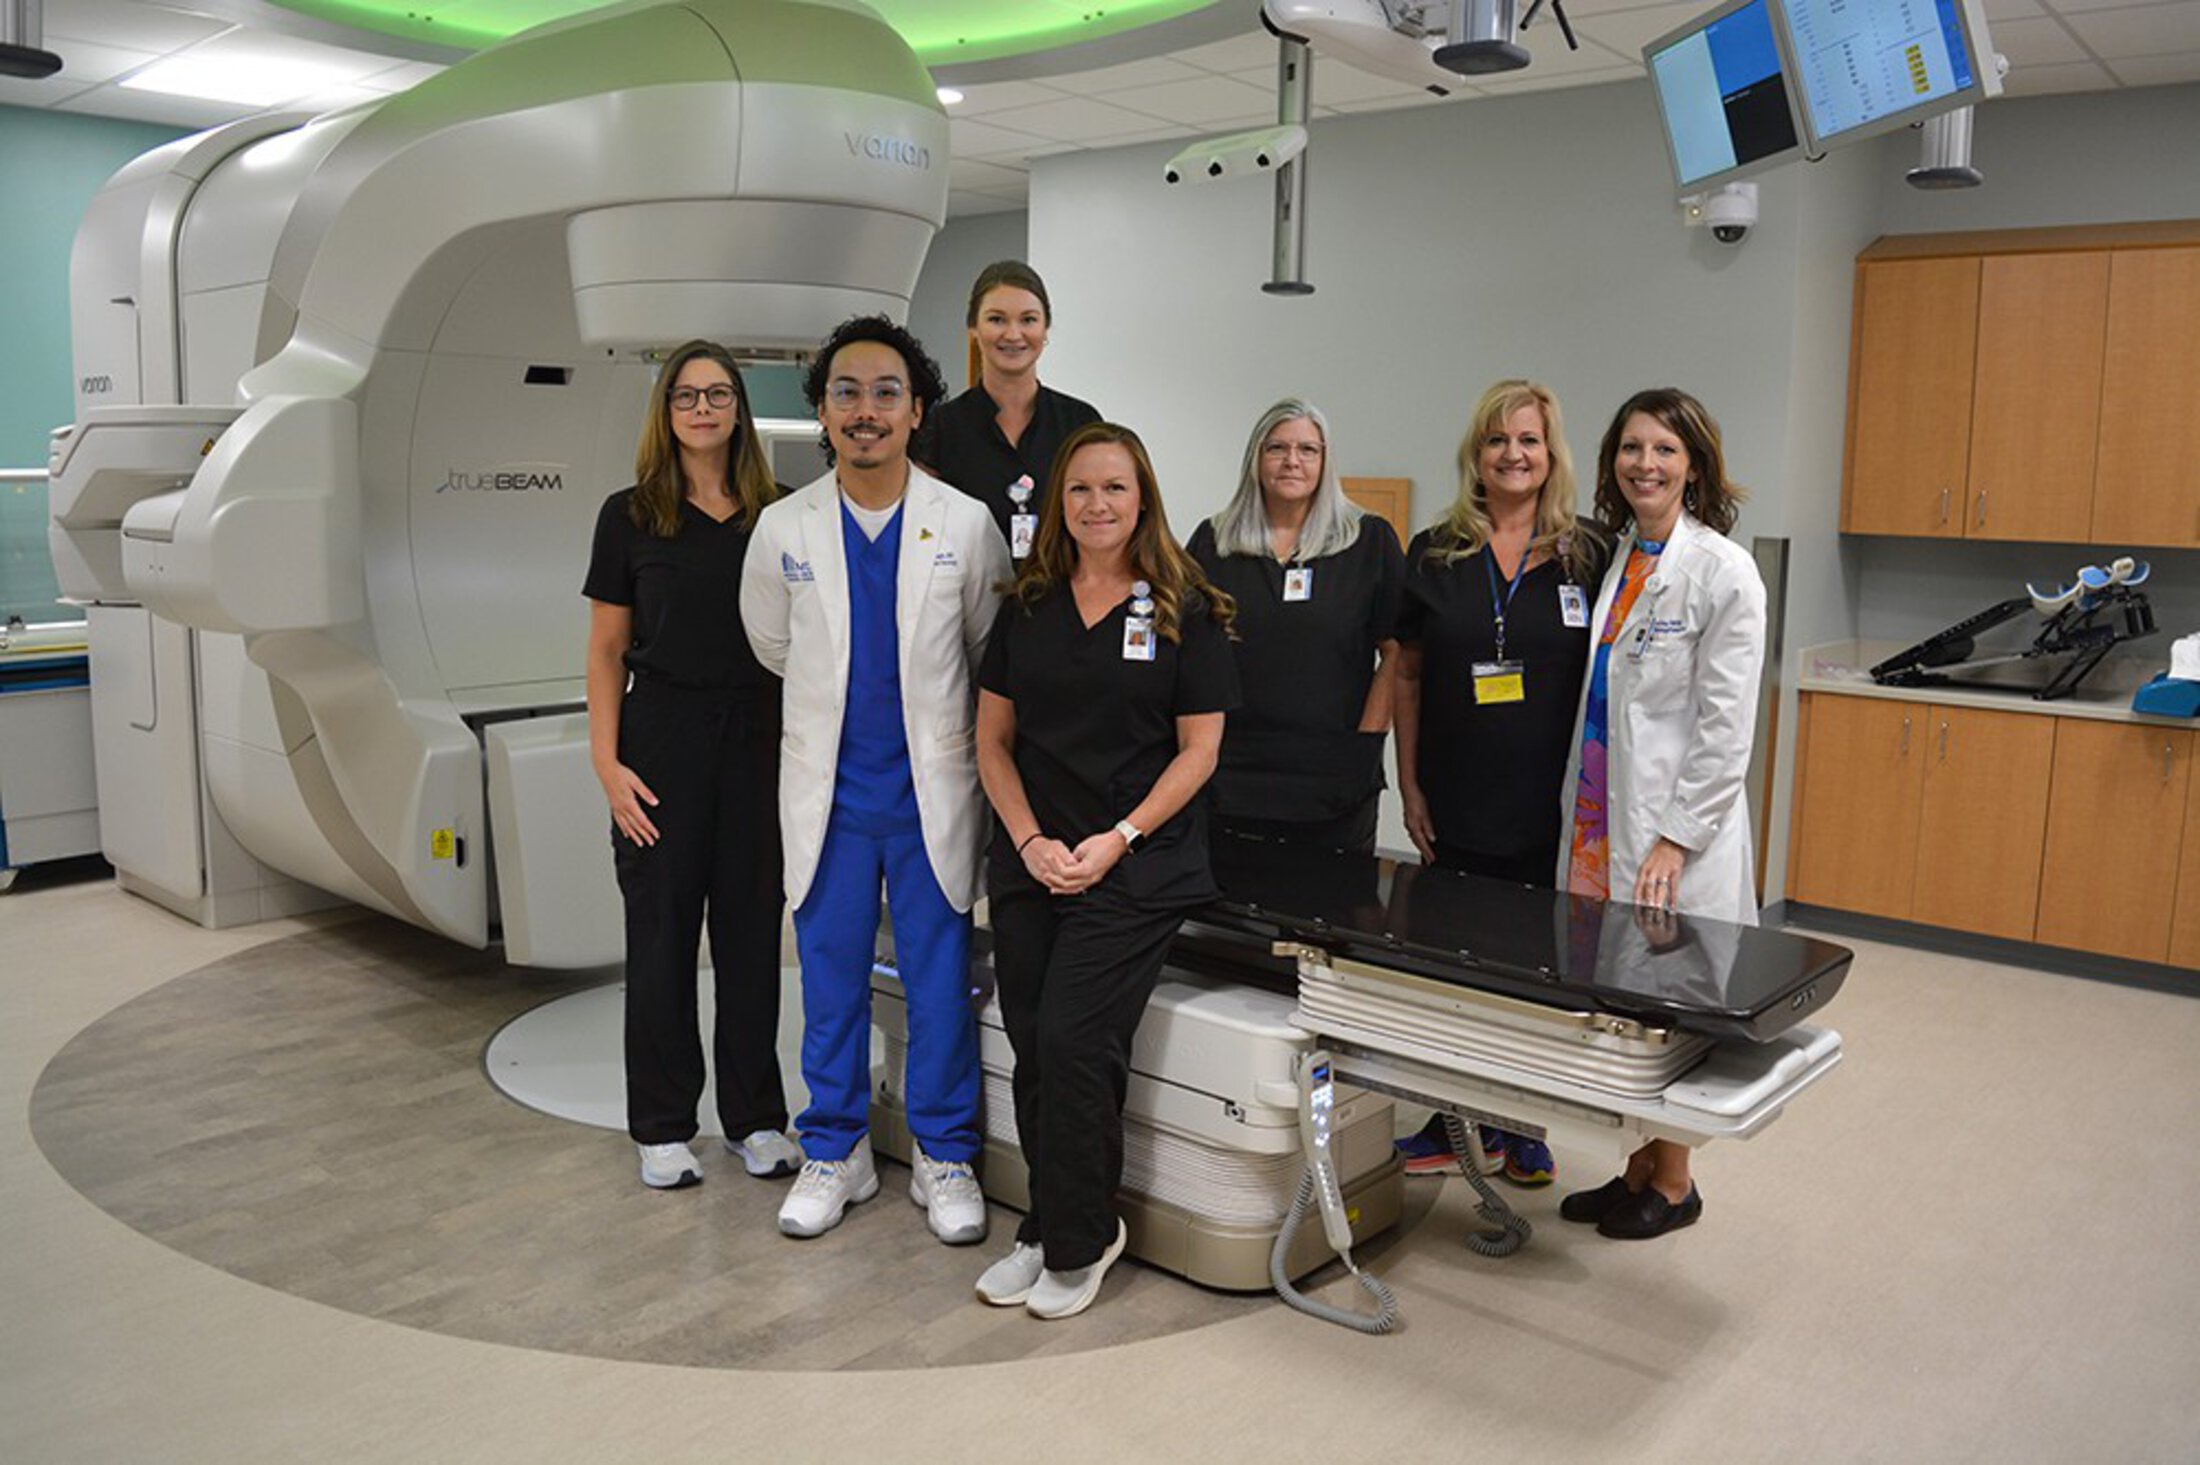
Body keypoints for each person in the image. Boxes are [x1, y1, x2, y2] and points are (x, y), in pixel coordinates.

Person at [739, 316, 1012, 1245]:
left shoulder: (965, 524)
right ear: (822, 408)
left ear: (916, 407)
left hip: (932, 791)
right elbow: (773, 647)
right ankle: (837, 1149)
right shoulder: (784, 526)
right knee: (831, 983)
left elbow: (984, 648)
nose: (866, 410)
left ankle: (944, 1155)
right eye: (847, 392)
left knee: (940, 985)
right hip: (832, 799)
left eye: (885, 391)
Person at [971, 422, 1239, 1320]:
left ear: (1143, 498)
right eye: (1080, 489)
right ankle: (1047, 1223)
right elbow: (992, 741)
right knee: (1035, 1045)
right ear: (1060, 502)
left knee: (1077, 1043)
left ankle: (1082, 1239)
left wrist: (1117, 836)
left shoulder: (1183, 606)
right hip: (1033, 861)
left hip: (1136, 865)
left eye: (1114, 489)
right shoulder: (1030, 603)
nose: (1096, 505)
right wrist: (1029, 839)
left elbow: (1199, 752)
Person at [583, 339, 802, 1191]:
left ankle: (755, 1118)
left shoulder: (778, 511)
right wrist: (607, 763)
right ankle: (665, 1125)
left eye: (718, 394)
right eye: (687, 395)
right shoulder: (630, 515)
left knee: (752, 936)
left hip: (759, 738)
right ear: (665, 411)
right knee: (664, 937)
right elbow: (606, 650)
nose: (703, 408)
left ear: (740, 408)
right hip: (662, 739)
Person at [1557, 386, 1767, 1240]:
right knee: (1623, 998)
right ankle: (1638, 1163)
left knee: (1671, 999)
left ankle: (1675, 1182)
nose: (1647, 463)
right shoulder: (1624, 559)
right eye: (1633, 447)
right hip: (1605, 815)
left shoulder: (1722, 570)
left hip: (1672, 833)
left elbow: (1727, 728)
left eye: (1666, 450)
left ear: (1695, 466)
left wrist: (1676, 840)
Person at [1391, 380, 1607, 1185]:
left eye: (1529, 440)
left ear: (1552, 455)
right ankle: (1452, 1123)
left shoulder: (1589, 550)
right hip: (1455, 792)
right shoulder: (1435, 551)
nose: (1513, 454)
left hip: (1553, 803)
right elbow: (1406, 675)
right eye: (1497, 440)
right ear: (1474, 455)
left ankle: (1522, 1125)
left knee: (1540, 968)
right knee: (1453, 965)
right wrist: (1409, 785)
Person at [1187, 399, 1402, 854]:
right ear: (1255, 458)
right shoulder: (1215, 540)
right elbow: (1187, 651)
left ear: (1326, 461)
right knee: (1225, 919)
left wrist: (1368, 740)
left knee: (1326, 917)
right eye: (1277, 448)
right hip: (1230, 768)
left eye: (1308, 449)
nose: (1292, 461)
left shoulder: (1368, 540)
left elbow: (1396, 650)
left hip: (1333, 771)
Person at [912, 259, 1100, 559]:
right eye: (997, 319)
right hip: (968, 598)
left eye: (1028, 320)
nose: (1013, 335)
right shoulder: (939, 427)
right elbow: (922, 531)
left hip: (1064, 597)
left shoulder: (1081, 423)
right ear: (973, 329)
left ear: (1045, 328)